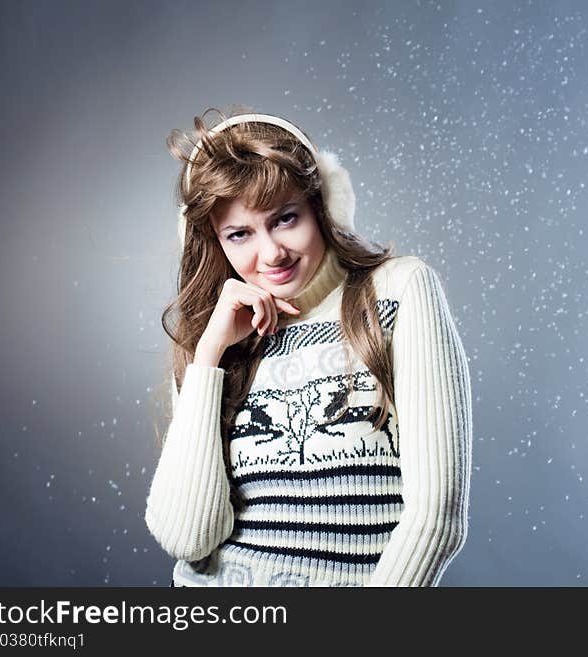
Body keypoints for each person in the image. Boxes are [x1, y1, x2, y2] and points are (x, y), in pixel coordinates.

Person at [144, 108, 472, 587]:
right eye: (239, 234)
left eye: (285, 219)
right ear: (215, 243)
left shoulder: (400, 290)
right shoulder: (215, 337)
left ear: (324, 208)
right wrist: (209, 355)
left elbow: (436, 520)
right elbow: (189, 539)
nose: (271, 253)